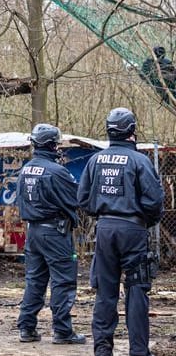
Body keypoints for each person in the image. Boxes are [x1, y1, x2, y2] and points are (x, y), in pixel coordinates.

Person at [78, 108, 164, 356]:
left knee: (105, 291)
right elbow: (154, 200)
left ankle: (102, 350)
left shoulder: (95, 160)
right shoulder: (140, 161)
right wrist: (145, 221)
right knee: (137, 290)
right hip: (133, 230)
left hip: (104, 229)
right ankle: (138, 351)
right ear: (132, 131)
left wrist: (102, 215)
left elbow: (83, 198)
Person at [15, 124, 85, 345]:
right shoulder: (57, 171)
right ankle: (62, 331)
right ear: (52, 144)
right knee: (63, 281)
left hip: (33, 232)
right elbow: (76, 199)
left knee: (34, 281)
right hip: (55, 232)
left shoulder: (25, 170)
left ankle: (27, 328)